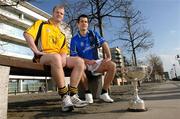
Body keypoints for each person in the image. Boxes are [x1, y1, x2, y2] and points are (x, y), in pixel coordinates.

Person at [23, 5, 88, 112]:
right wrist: (35, 51)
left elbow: (63, 51)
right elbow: (27, 34)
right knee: (56, 57)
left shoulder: (61, 34)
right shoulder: (41, 24)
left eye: (61, 13)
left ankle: (72, 95)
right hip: (43, 57)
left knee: (79, 61)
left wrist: (63, 58)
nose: (59, 14)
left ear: (63, 16)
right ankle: (64, 97)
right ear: (53, 13)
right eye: (57, 12)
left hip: (58, 58)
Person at [70, 14, 116, 103]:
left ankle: (104, 93)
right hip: (84, 64)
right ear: (78, 24)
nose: (84, 23)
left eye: (86, 22)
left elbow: (104, 43)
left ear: (88, 24)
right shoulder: (74, 39)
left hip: (95, 63)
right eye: (82, 21)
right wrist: (87, 61)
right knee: (79, 66)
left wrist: (109, 56)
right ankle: (88, 93)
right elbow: (74, 57)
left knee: (112, 65)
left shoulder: (93, 34)